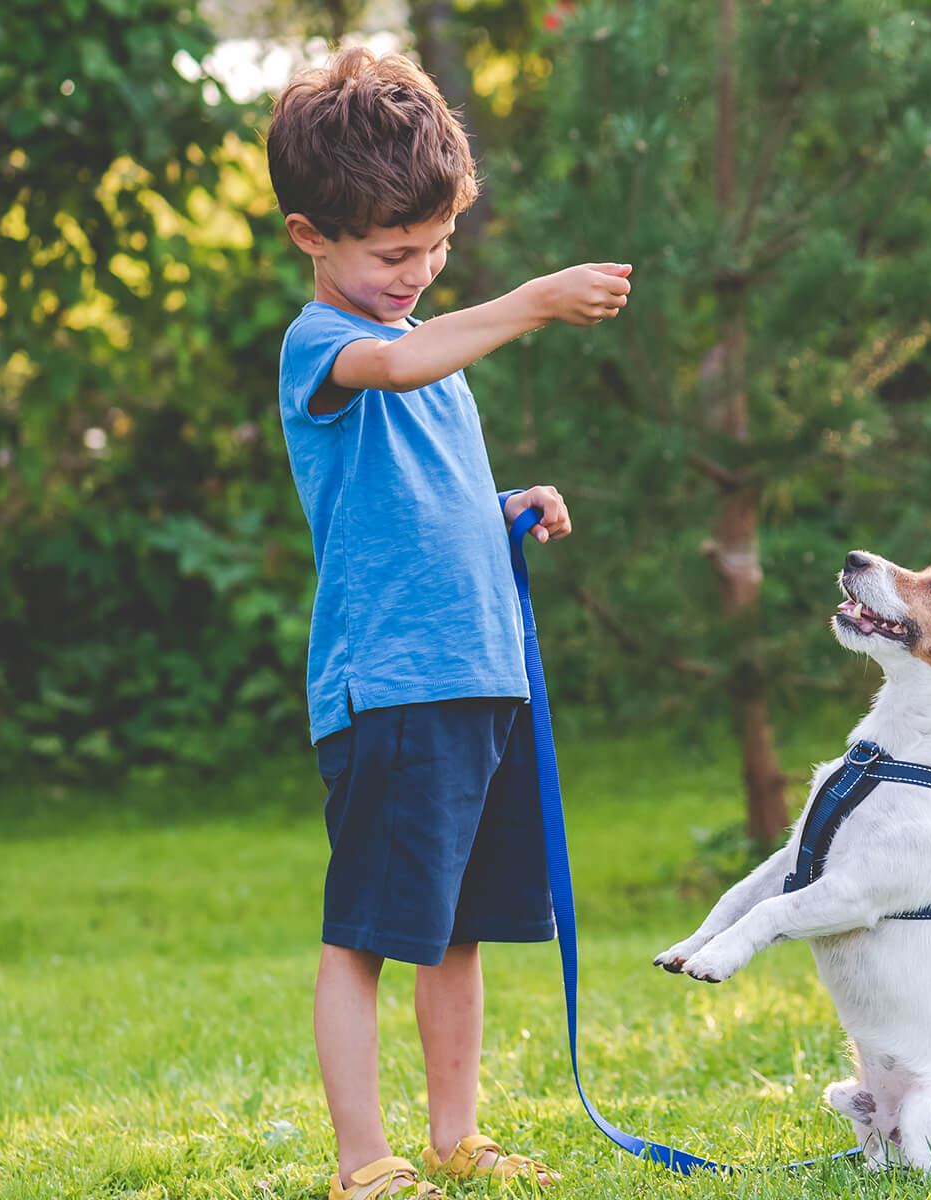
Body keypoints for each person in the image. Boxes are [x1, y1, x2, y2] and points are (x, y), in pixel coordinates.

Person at [266, 45, 633, 1200]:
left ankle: (452, 1135)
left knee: (458, 927)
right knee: (367, 934)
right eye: (392, 252)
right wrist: (524, 302)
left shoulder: (428, 346)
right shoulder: (322, 345)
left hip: (479, 676)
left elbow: (412, 496)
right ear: (308, 237)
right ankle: (359, 1159)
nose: (416, 271)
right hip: (394, 688)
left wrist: (500, 507)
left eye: (436, 247)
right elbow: (396, 362)